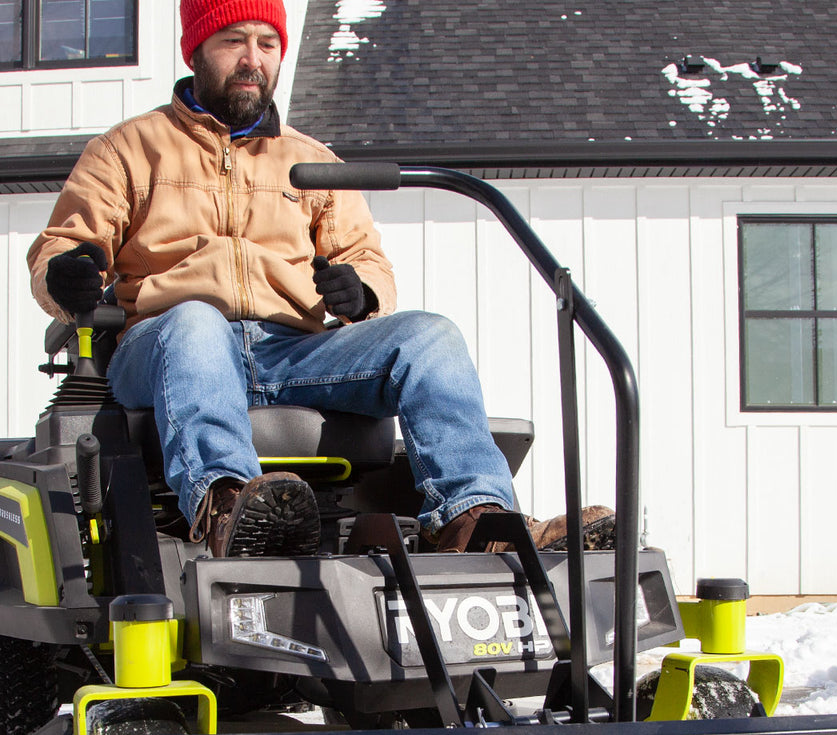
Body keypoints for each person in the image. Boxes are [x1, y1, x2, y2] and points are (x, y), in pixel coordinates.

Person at [27, 0, 522, 557]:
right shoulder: (128, 150)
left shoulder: (311, 161)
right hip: (167, 344)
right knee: (196, 320)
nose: (252, 59)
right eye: (234, 41)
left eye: (267, 44)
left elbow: (366, 258)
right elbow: (62, 246)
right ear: (197, 50)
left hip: (291, 352)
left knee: (430, 336)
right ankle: (230, 506)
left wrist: (362, 292)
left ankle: (474, 518)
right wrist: (65, 273)